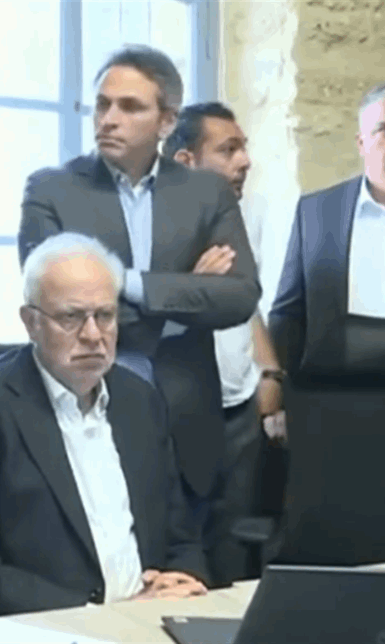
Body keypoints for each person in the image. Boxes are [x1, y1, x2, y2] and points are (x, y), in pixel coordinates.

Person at [19, 45, 260, 583]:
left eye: (129, 107)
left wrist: (123, 282)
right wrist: (188, 293)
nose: (108, 119)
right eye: (102, 104)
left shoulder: (205, 192)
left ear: (167, 121)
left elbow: (241, 296)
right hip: (87, 413)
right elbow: (53, 306)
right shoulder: (52, 190)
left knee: (189, 582)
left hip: (190, 419)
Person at [0, 232, 208, 616]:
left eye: (105, 316)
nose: (93, 335)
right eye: (71, 317)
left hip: (149, 621)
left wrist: (183, 580)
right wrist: (98, 615)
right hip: (47, 627)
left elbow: (182, 538)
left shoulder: (140, 400)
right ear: (31, 322)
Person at [164, 101, 283, 584]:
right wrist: (193, 288)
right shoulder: (152, 225)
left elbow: (248, 305)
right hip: (175, 415)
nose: (245, 161)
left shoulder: (245, 216)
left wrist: (270, 373)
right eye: (228, 150)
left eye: (243, 148)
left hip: (239, 413)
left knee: (233, 550)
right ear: (186, 161)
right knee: (180, 557)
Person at [267, 80, 385, 566]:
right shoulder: (317, 210)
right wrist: (277, 395)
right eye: (384, 130)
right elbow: (286, 311)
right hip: (327, 408)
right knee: (329, 548)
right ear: (361, 142)